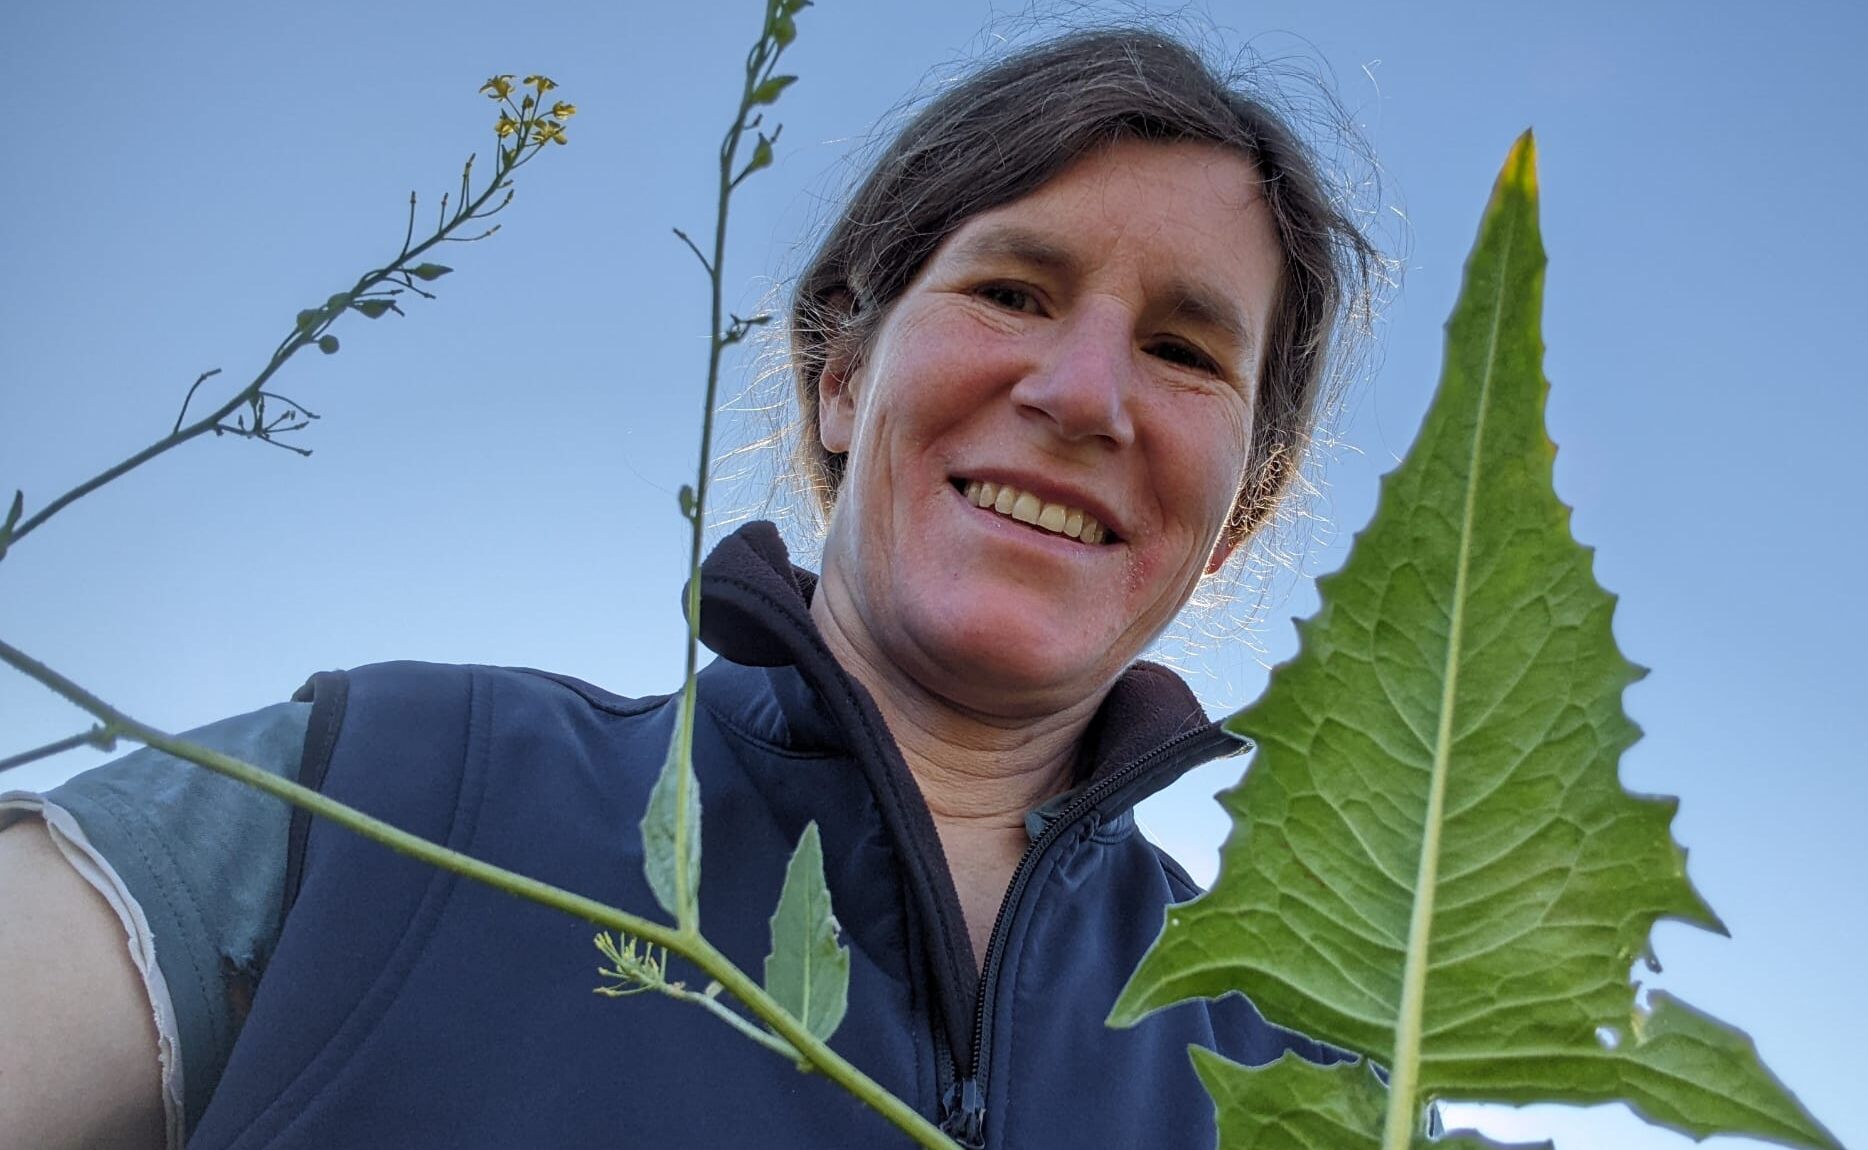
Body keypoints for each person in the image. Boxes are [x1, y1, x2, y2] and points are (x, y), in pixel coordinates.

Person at [0, 26, 1376, 1150]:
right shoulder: (383, 794)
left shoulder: (1320, 1063)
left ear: (1233, 518)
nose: (1083, 395)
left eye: (1187, 350)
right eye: (1015, 291)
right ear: (843, 377)